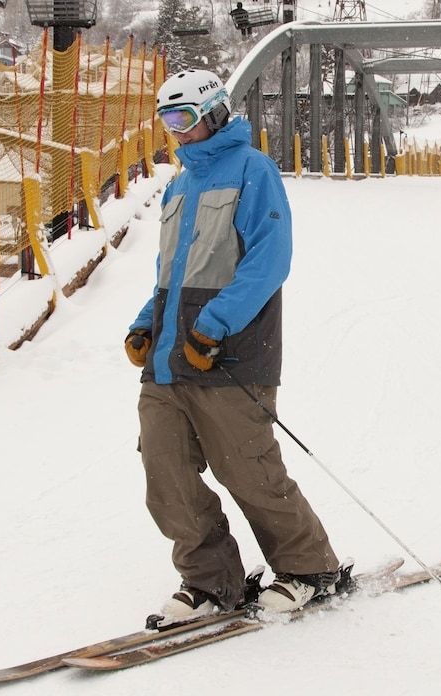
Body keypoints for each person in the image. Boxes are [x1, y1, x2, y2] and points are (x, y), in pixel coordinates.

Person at [124, 69, 340, 620]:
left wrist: (214, 325)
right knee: (164, 473)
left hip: (229, 355)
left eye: (185, 118)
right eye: (167, 120)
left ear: (216, 112)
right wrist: (149, 321)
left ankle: (308, 568)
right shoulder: (177, 184)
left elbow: (270, 260)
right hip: (171, 359)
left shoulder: (253, 171)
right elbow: (170, 272)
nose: (176, 131)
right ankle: (210, 580)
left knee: (249, 470)